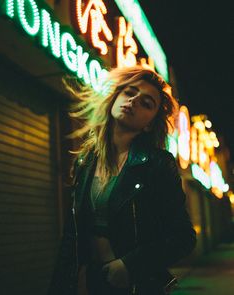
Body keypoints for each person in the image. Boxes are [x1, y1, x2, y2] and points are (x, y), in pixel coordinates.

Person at [48, 66, 196, 295]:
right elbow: (72, 236)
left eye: (147, 103)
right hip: (89, 284)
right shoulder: (85, 162)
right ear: (116, 96)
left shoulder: (157, 164)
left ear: (149, 123)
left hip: (135, 285)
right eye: (130, 92)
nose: (135, 100)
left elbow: (183, 237)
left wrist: (130, 265)